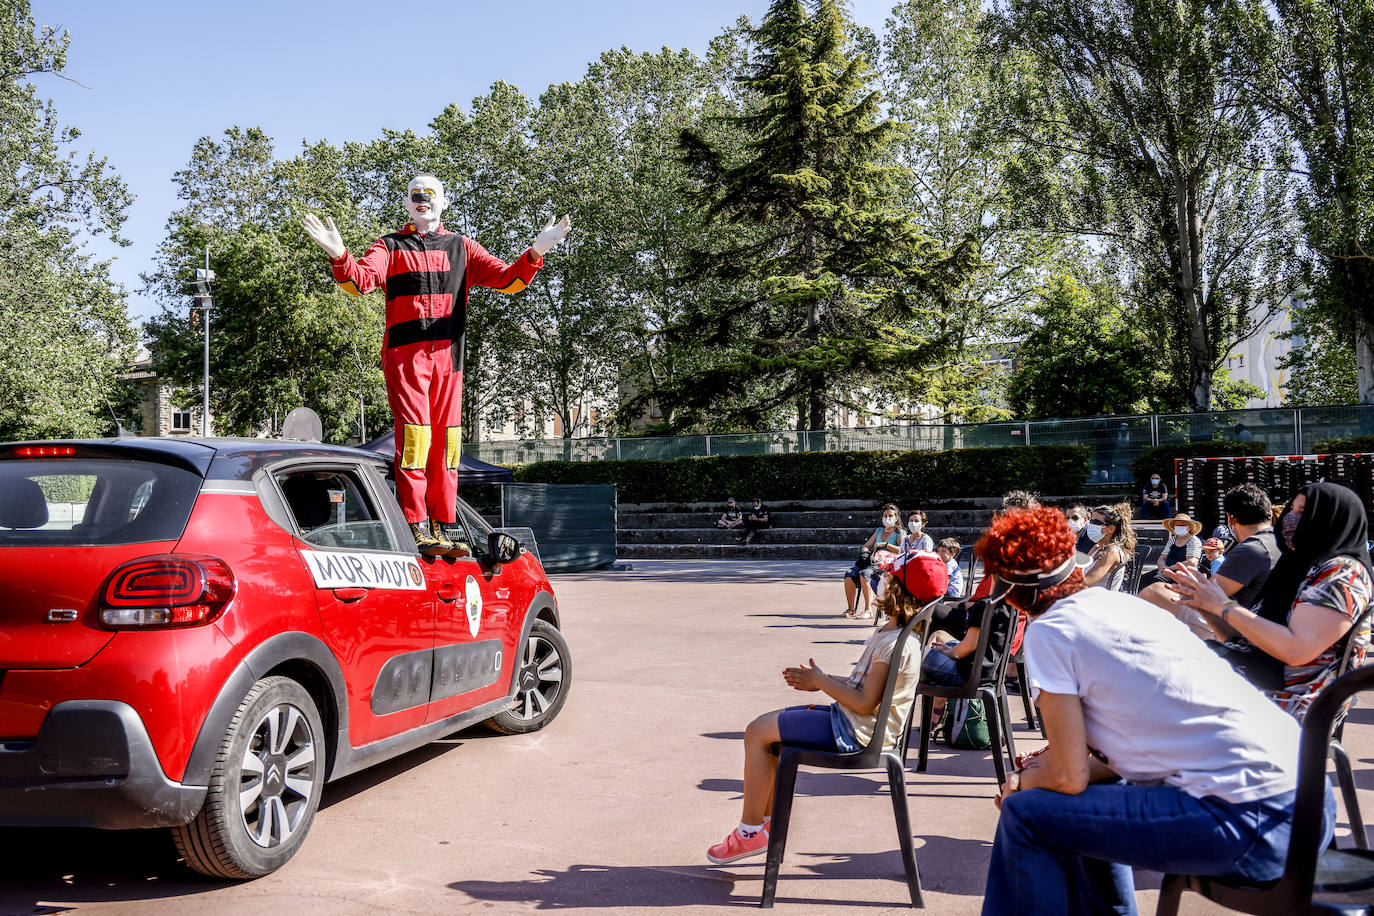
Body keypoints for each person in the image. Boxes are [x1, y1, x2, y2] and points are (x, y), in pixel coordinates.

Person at [979, 505, 1331, 915]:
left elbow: (1069, 776)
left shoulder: (1051, 631)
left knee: (1026, 814)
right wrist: (1048, 775)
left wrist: (1026, 782)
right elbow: (1112, 761)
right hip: (1309, 808)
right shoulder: (1129, 608)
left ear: (1011, 593)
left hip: (1251, 825)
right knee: (1083, 800)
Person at [301, 176, 570, 556]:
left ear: (443, 201)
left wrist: (537, 251)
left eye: (429, 194)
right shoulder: (390, 246)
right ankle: (416, 524)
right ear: (408, 204)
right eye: (415, 195)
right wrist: (339, 255)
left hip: (450, 360)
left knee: (448, 444)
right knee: (416, 438)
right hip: (406, 358)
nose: (421, 199)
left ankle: (446, 526)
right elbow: (360, 282)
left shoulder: (461, 247)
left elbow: (509, 282)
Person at [705, 552, 948, 865]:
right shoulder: (891, 634)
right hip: (850, 722)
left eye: (888, 577)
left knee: (757, 731)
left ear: (901, 593)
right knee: (764, 731)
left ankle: (750, 832)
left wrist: (821, 682)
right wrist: (819, 679)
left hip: (856, 733)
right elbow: (860, 688)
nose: (881, 580)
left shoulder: (894, 644)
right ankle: (763, 826)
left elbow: (863, 703)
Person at [1164, 480, 1373, 719]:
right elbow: (1242, 640)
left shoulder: (1343, 574)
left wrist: (1223, 605)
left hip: (1288, 703)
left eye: (1302, 512)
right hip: (1257, 681)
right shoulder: (1298, 566)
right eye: (1291, 510)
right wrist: (1202, 603)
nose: (1289, 518)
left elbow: (1296, 650)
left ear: (1332, 520)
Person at [1139, 483, 1280, 642]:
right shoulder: (1279, 542)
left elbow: (1206, 596)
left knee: (1154, 591)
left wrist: (1188, 583)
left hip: (1242, 631)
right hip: (1262, 621)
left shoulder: (1251, 550)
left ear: (1230, 519)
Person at [843, 503, 903, 619]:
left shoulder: (899, 533)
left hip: (886, 565)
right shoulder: (879, 531)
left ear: (896, 518)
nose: (887, 518)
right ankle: (851, 609)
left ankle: (868, 610)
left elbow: (902, 550)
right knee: (849, 574)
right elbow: (866, 545)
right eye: (885, 516)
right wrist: (865, 552)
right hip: (871, 562)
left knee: (865, 574)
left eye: (890, 516)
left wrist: (886, 545)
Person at [1137, 512, 1202, 589]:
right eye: (1177, 525)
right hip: (1167, 569)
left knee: (1156, 581)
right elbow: (1162, 558)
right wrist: (1162, 567)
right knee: (1141, 580)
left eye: (1183, 525)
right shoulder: (1173, 539)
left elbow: (1191, 562)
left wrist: (1170, 569)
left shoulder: (1193, 540)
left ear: (1189, 527)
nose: (1179, 527)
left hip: (1184, 572)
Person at [1082, 503, 1135, 591]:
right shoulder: (1096, 547)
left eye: (1095, 522)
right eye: (1091, 521)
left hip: (1100, 601)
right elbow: (1079, 571)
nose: (1090, 525)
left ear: (1110, 529)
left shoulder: (1112, 551)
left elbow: (1086, 581)